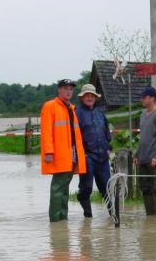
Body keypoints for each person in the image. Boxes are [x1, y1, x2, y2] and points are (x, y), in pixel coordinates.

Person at [40, 79, 86, 222]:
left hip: (71, 153)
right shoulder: (50, 106)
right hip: (59, 154)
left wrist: (79, 154)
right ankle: (55, 220)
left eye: (71, 89)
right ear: (59, 90)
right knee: (57, 187)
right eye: (65, 88)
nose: (68, 91)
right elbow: (46, 131)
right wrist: (48, 152)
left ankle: (63, 219)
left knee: (64, 187)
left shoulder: (70, 108)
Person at [75, 84, 112, 217]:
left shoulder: (100, 113)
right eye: (87, 96)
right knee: (87, 187)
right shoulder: (76, 113)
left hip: (102, 156)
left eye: (92, 96)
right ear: (82, 98)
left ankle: (113, 214)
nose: (89, 98)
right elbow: (73, 136)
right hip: (86, 156)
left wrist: (109, 148)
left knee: (106, 187)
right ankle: (88, 215)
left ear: (95, 98)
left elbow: (107, 133)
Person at [133, 87, 156, 216]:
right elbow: (143, 137)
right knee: (145, 187)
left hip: (154, 159)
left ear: (152, 98)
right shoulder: (143, 115)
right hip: (143, 158)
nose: (142, 99)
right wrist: (137, 154)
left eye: (144, 97)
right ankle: (150, 216)